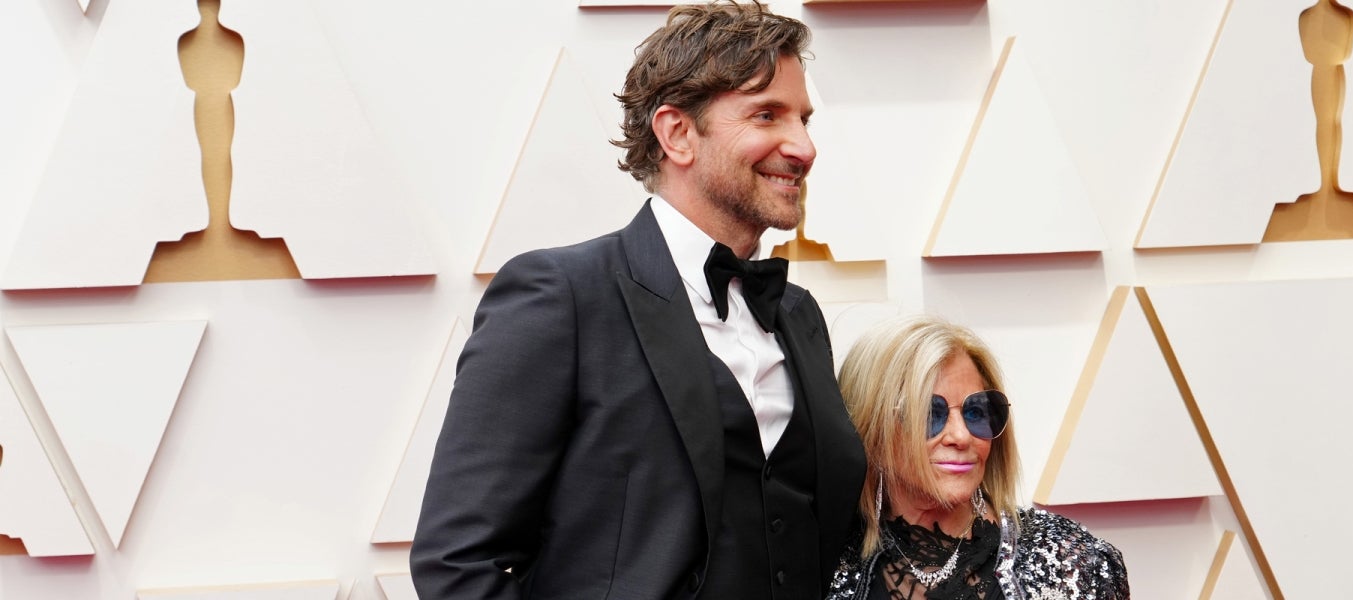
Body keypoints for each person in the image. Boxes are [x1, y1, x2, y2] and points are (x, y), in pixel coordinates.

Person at [410, 2, 867, 599]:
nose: (804, 147)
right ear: (677, 133)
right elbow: (458, 561)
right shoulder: (561, 297)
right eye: (767, 115)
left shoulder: (798, 314)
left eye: (804, 120)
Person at [827, 315, 1129, 599]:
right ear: (872, 430)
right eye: (929, 414)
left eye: (975, 412)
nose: (961, 436)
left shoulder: (1070, 563)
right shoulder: (824, 564)